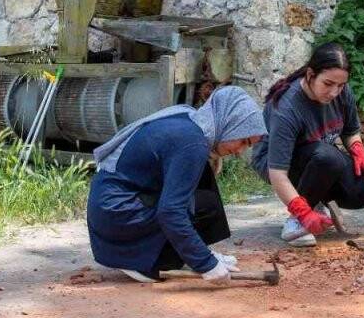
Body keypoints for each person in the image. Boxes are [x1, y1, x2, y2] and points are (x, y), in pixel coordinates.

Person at [87, 85, 266, 283]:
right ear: (230, 124)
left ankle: (185, 253)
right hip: (117, 216)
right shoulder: (193, 142)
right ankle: (141, 263)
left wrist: (201, 255)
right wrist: (205, 264)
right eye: (243, 141)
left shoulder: (190, 120)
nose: (240, 151)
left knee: (204, 199)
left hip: (112, 210)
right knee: (186, 206)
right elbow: (170, 212)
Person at [251, 43, 364, 247]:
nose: (334, 92)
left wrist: (359, 152)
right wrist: (302, 211)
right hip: (275, 163)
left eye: (340, 86)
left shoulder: (341, 91)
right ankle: (296, 222)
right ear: (311, 75)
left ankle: (316, 198)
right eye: (328, 84)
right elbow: (277, 173)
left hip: (319, 155)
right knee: (327, 158)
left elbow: (351, 132)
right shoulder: (287, 108)